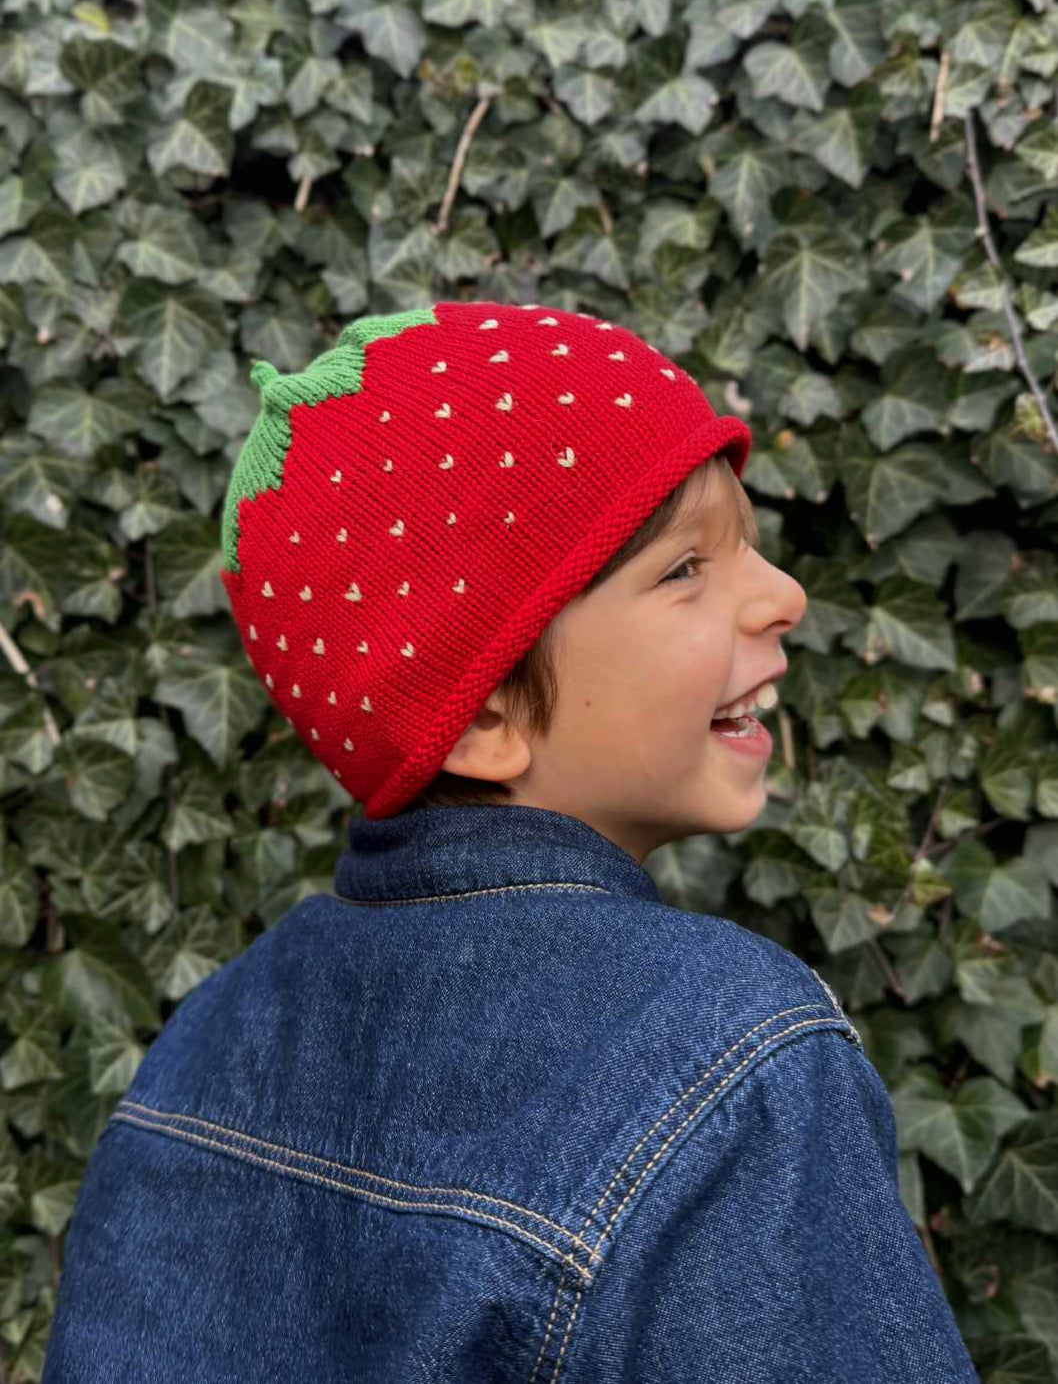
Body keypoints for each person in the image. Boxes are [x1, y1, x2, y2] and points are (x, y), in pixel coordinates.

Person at [42, 301, 980, 1381]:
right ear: (484, 714)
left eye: (749, 548)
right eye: (683, 569)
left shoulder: (201, 1049)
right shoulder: (727, 1056)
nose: (781, 594)